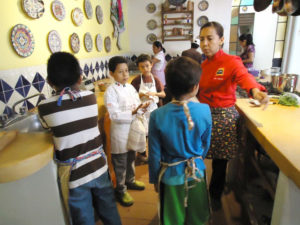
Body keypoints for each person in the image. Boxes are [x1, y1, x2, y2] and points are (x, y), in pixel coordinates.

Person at [38, 52, 121, 225]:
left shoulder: (45, 107)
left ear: (49, 81)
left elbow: (47, 128)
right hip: (99, 166)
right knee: (109, 210)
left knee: (83, 218)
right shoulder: (90, 97)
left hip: (74, 176)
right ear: (80, 77)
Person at [198, 21, 269, 211]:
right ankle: (196, 190)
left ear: (221, 40)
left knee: (220, 161)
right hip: (202, 115)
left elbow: (244, 76)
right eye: (202, 39)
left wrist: (255, 91)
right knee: (197, 156)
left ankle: (214, 195)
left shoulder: (231, 61)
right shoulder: (202, 65)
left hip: (224, 116)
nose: (205, 43)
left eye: (210, 38)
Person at [148, 56, 212, 225]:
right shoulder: (205, 110)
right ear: (195, 87)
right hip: (196, 171)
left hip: (170, 175)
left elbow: (154, 152)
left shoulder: (157, 115)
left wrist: (155, 178)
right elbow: (205, 144)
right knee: (197, 215)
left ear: (167, 86)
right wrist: (197, 159)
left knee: (172, 218)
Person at [104, 56, 149, 207]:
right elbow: (114, 115)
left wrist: (142, 108)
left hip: (132, 130)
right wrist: (133, 112)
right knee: (120, 162)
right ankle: (121, 190)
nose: (125, 75)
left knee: (131, 157)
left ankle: (130, 181)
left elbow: (137, 105)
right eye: (120, 72)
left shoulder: (130, 87)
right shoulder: (110, 92)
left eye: (126, 71)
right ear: (111, 73)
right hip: (120, 133)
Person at [131, 54, 166, 163]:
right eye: (142, 67)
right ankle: (142, 155)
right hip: (141, 111)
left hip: (154, 111)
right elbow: (131, 96)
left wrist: (155, 93)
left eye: (147, 66)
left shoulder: (156, 79)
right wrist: (140, 96)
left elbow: (163, 94)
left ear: (151, 65)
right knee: (142, 134)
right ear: (138, 68)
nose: (145, 69)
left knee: (153, 134)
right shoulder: (136, 81)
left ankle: (154, 155)